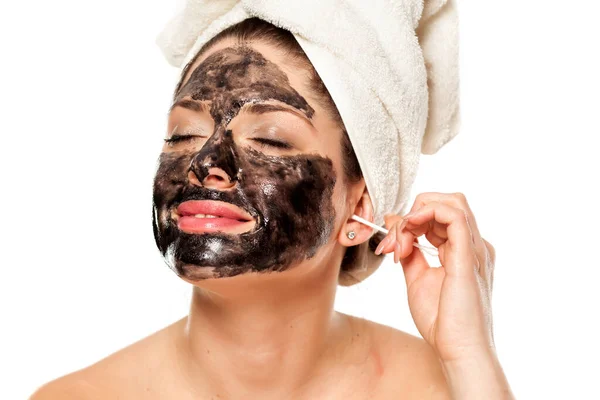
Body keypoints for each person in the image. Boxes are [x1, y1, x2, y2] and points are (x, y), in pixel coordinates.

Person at [30, 15, 514, 400]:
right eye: (183, 135)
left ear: (358, 207)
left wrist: (470, 356)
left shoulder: (440, 391)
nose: (205, 162)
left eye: (270, 138)